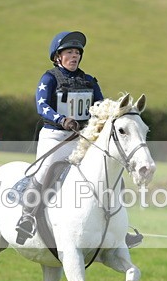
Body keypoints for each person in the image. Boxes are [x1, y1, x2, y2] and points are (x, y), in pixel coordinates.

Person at [15, 31, 142, 249]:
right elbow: (42, 106)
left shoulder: (89, 81)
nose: (74, 56)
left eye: (76, 53)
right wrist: (62, 119)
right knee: (46, 171)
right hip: (55, 136)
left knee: (112, 176)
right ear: (58, 57)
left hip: (83, 137)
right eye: (69, 53)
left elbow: (102, 107)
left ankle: (118, 228)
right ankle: (27, 217)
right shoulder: (49, 78)